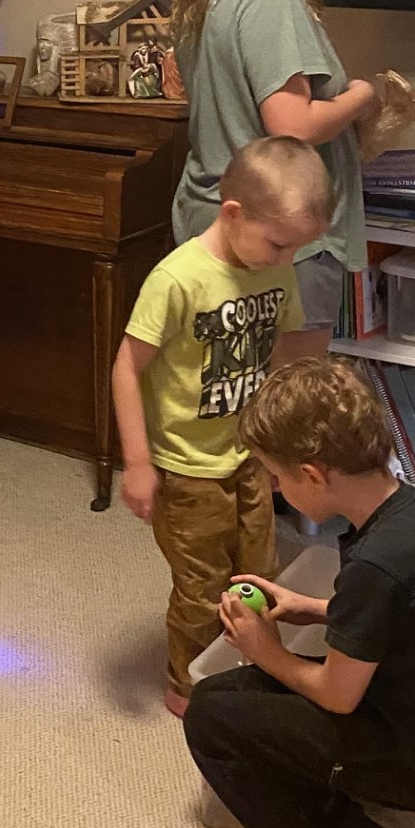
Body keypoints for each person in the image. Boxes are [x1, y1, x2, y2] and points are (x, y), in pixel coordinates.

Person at [185, 358, 415, 828]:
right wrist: (316, 609)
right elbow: (402, 614)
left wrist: (267, 652)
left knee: (212, 719)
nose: (274, 489)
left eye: (276, 477)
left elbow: (338, 694)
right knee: (229, 696)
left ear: (313, 475)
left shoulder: (376, 564)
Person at [113, 137, 332, 714]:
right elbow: (125, 368)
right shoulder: (177, 278)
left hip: (251, 457)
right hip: (185, 466)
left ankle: (248, 663)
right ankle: (187, 685)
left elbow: (283, 357)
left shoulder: (276, 272)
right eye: (279, 242)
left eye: (297, 248)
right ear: (233, 214)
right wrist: (137, 463)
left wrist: (289, 448)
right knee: (201, 586)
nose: (286, 258)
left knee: (260, 573)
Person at [172, 0, 381, 355]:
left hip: (218, 222)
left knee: (227, 398)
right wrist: (362, 96)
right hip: (282, 241)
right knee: (288, 413)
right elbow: (292, 125)